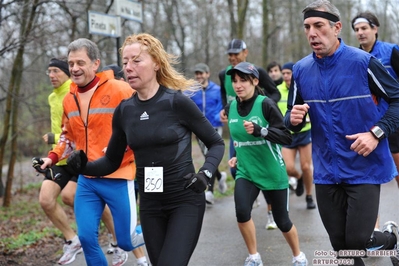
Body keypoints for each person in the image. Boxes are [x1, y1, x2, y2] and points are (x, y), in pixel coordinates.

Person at [66, 33, 225, 266]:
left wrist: (206, 173)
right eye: (125, 62)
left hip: (185, 199)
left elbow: (216, 143)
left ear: (156, 64)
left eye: (136, 61)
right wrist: (84, 166)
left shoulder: (176, 102)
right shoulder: (125, 110)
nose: (129, 68)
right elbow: (111, 161)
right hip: (151, 203)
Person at [284, 1, 399, 265]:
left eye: (319, 26)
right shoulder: (301, 71)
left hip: (364, 167)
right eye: (307, 27)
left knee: (357, 241)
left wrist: (376, 133)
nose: (312, 33)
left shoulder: (363, 62)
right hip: (326, 169)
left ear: (336, 28)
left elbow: (397, 100)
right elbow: (291, 118)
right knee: (340, 247)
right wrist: (292, 119)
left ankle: (391, 240)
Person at [36, 38, 144, 266]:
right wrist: (52, 157)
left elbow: (141, 125)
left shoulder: (120, 90)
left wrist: (125, 147)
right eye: (71, 63)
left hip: (118, 175)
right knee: (86, 238)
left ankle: (160, 226)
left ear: (95, 64)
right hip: (87, 180)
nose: (74, 68)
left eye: (80, 63)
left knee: (126, 240)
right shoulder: (69, 98)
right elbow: (67, 135)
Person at [225, 62, 308, 266]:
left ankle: (298, 256)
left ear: (255, 81)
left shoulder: (266, 104)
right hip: (246, 171)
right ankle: (254, 257)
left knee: (282, 221)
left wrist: (261, 130)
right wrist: (237, 155)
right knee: (242, 212)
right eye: (235, 81)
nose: (238, 85)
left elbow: (286, 137)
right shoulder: (231, 108)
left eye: (243, 80)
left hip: (272, 171)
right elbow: (237, 138)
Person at [100, 64, 149, 266]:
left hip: (149, 170)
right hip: (125, 173)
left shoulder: (141, 100)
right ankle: (141, 259)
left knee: (154, 216)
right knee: (129, 221)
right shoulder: (113, 108)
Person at [38, 57, 82, 265]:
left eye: (56, 71)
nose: (51, 75)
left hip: (79, 156)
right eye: (49, 71)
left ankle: (116, 234)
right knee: (46, 199)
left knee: (69, 197)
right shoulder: (51, 97)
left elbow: (80, 129)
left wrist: (55, 138)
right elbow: (61, 131)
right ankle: (72, 240)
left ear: (66, 72)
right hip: (59, 156)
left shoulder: (75, 92)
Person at [219, 39, 281, 181]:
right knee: (235, 170)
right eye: (230, 54)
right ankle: (248, 198)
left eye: (236, 53)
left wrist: (262, 106)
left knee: (264, 169)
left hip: (258, 125)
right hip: (237, 125)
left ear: (245, 53)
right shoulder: (224, 74)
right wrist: (225, 109)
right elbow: (224, 93)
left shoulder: (257, 72)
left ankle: (269, 200)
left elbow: (275, 93)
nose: (232, 57)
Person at [351, 11, 399, 188]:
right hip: (368, 120)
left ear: (375, 29)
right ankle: (371, 216)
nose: (360, 33)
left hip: (392, 119)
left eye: (364, 28)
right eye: (357, 29)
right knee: (369, 176)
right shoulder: (354, 57)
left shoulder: (391, 51)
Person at [277, 62, 315, 210]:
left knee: (306, 166)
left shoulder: (303, 87)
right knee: (288, 167)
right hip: (287, 133)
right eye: (284, 73)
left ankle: (309, 196)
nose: (286, 76)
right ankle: (298, 179)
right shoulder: (277, 90)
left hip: (305, 131)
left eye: (289, 73)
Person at [189, 62, 227, 205]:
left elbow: (221, 107)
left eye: (201, 73)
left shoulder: (217, 90)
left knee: (209, 157)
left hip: (214, 128)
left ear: (207, 74)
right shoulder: (192, 91)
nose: (199, 76)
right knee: (209, 157)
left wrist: (218, 118)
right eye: (197, 73)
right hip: (199, 129)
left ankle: (209, 192)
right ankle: (220, 175)